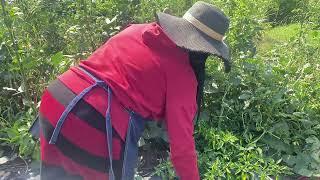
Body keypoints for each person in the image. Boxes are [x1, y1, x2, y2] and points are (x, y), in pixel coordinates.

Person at [32, 1, 231, 179]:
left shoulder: (137, 29)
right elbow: (182, 149)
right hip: (95, 122)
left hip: (56, 97)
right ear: (206, 50)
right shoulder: (183, 77)